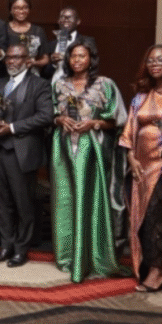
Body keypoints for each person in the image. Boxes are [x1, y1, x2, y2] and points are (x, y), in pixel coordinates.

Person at [51, 39, 128, 282]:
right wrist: (59, 120)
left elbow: (117, 121)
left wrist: (94, 123)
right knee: (65, 199)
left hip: (93, 148)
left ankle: (93, 256)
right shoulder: (59, 84)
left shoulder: (105, 84)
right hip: (64, 147)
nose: (77, 60)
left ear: (90, 59)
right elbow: (51, 113)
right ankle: (68, 255)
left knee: (91, 199)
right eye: (73, 56)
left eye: (82, 56)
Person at [119, 44, 162, 292]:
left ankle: (159, 270)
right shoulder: (141, 97)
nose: (154, 64)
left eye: (160, 59)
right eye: (150, 60)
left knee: (159, 215)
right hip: (142, 167)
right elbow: (129, 131)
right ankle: (150, 265)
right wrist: (131, 158)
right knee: (143, 218)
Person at [0, 44, 53, 267]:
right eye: (9, 58)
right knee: (2, 203)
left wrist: (12, 128)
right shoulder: (0, 83)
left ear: (27, 60)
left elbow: (46, 116)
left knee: (23, 204)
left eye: (17, 57)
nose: (12, 61)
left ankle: (21, 249)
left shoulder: (40, 85)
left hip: (21, 153)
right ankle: (6, 246)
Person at [42, 7, 96, 83]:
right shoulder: (51, 44)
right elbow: (44, 74)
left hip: (77, 84)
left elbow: (93, 66)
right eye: (62, 17)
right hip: (54, 85)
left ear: (78, 21)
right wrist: (53, 64)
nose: (66, 19)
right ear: (58, 21)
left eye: (70, 17)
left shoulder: (87, 41)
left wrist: (69, 59)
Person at [5, 0, 49, 73]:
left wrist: (34, 63)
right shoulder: (4, 29)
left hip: (32, 74)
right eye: (17, 8)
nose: (21, 11)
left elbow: (45, 59)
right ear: (11, 10)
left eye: (25, 7)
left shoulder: (38, 31)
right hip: (8, 74)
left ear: (29, 9)